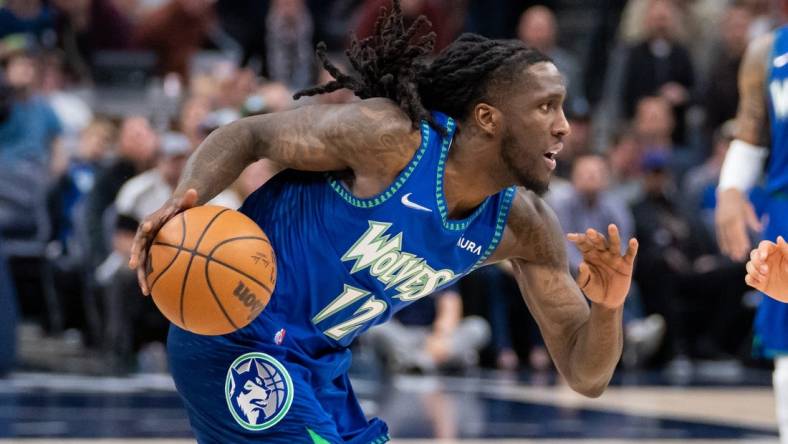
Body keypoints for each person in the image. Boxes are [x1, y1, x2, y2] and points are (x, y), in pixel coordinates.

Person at [129, 2, 639, 442]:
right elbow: (249, 137)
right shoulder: (391, 141)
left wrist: (608, 307)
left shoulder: (524, 227)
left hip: (319, 368)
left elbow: (584, 374)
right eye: (546, 107)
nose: (564, 126)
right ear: (488, 118)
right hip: (235, 333)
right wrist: (181, 203)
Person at [715, 3, 788, 442]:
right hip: (785, 207)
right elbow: (750, 130)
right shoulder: (767, 51)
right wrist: (729, 190)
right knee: (786, 350)